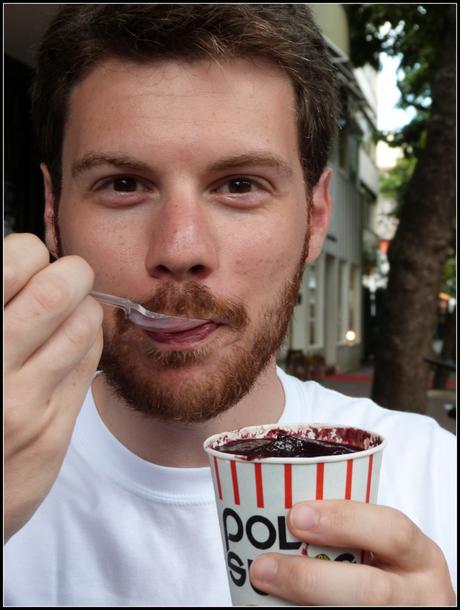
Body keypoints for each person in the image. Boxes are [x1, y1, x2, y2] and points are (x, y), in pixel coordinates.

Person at [4, 4, 456, 606]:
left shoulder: (439, 483)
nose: (180, 249)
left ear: (316, 217)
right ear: (54, 211)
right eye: (123, 184)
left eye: (240, 185)